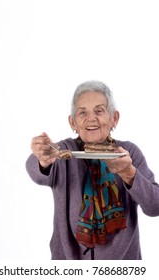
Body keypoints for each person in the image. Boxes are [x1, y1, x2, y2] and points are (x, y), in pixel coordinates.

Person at [26, 80, 159, 260]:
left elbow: (154, 206)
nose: (91, 118)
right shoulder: (65, 151)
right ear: (73, 122)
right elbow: (35, 171)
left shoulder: (129, 153)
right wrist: (42, 158)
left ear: (114, 118)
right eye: (82, 112)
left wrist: (129, 174)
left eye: (99, 110)